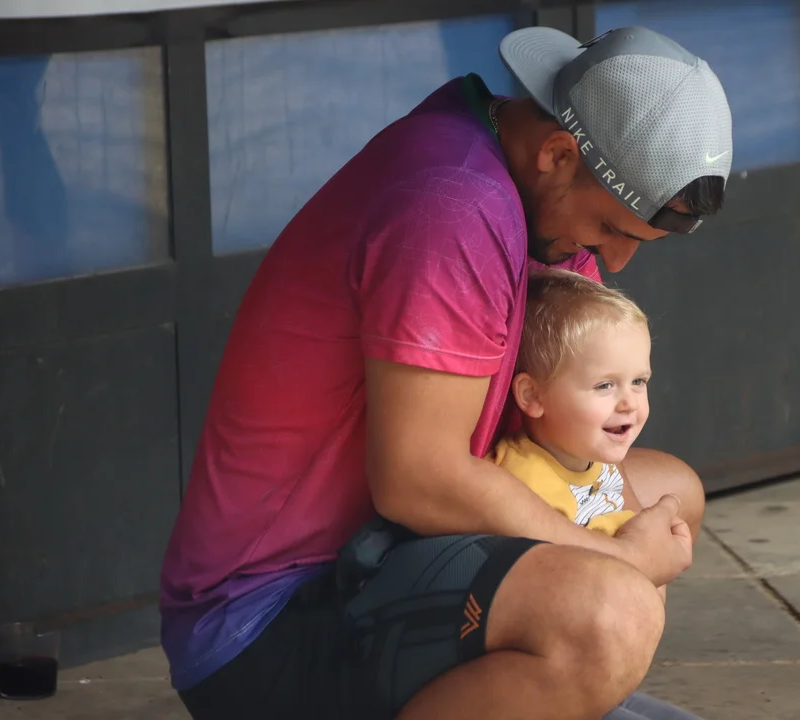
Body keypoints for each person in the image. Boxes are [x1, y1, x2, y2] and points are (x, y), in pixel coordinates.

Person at [160, 23, 733, 720]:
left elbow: (546, 429)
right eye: (611, 229)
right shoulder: (455, 205)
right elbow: (418, 479)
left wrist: (620, 543)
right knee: (611, 614)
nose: (613, 261)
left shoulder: (523, 177)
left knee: (670, 496)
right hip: (272, 622)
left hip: (385, 556)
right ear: (558, 153)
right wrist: (618, 563)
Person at [493, 268, 652, 538]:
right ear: (533, 396)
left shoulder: (590, 456)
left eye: (638, 381)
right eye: (604, 385)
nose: (629, 404)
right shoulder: (527, 486)